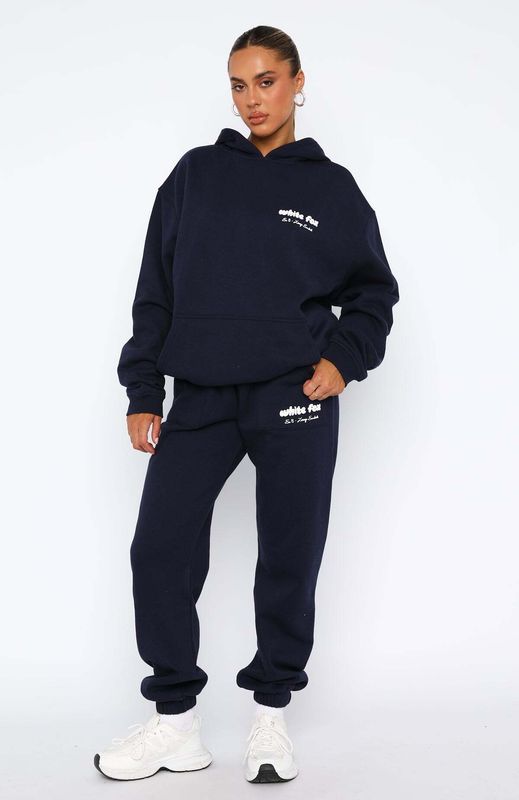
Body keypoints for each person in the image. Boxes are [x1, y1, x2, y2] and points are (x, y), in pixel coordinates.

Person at [94, 25, 399, 784]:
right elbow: (155, 291)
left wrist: (342, 360)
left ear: (298, 82)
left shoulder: (330, 188)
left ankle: (270, 715)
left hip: (293, 395)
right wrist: (143, 388)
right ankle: (175, 722)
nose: (252, 100)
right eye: (238, 84)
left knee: (288, 554)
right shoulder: (195, 176)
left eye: (266, 81)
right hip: (201, 393)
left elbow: (373, 294)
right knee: (160, 548)